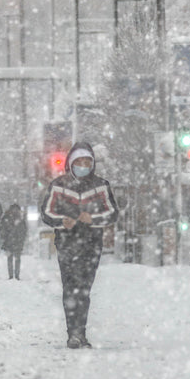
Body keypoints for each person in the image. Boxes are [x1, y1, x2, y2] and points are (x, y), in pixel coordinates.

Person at [40, 143, 118, 348]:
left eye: (87, 162)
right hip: (67, 243)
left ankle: (80, 333)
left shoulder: (101, 185)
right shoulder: (58, 185)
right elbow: (47, 213)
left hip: (92, 245)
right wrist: (62, 220)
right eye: (79, 162)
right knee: (70, 288)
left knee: (84, 289)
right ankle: (72, 333)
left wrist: (92, 218)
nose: (83, 166)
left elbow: (112, 213)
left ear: (92, 164)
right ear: (71, 163)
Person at [0, 203, 27, 280]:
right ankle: (16, 275)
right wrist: (22, 239)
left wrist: (4, 237)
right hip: (16, 241)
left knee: (10, 258)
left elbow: (1, 229)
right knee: (16, 258)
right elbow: (24, 230)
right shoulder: (20, 218)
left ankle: (11, 275)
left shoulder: (6, 218)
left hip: (9, 241)